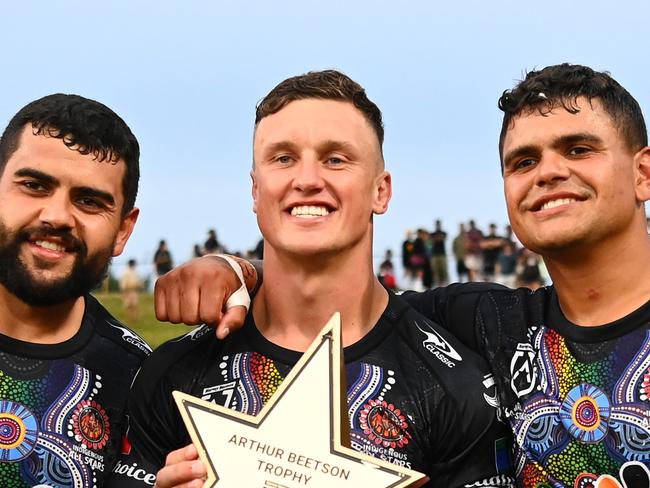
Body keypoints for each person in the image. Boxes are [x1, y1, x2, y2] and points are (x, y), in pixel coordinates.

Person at [158, 63, 650, 487]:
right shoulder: (492, 324)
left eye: (579, 149)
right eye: (523, 161)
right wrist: (236, 269)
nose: (548, 172)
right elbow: (340, 298)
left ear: (643, 174)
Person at [112, 70, 513, 488]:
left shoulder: (454, 383)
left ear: (381, 191)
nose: (306, 180)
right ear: (255, 190)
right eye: (283, 158)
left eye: (335, 159)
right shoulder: (175, 373)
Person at [0, 94, 151, 487]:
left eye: (88, 201)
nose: (56, 216)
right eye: (34, 185)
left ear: (122, 230)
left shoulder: (142, 381)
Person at [429, 219, 448, 286]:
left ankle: (445, 285)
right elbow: (432, 240)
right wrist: (437, 238)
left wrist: (436, 238)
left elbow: (442, 239)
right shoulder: (432, 234)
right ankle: (437, 285)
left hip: (442, 255)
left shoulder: (443, 233)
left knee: (443, 271)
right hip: (434, 255)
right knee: (436, 271)